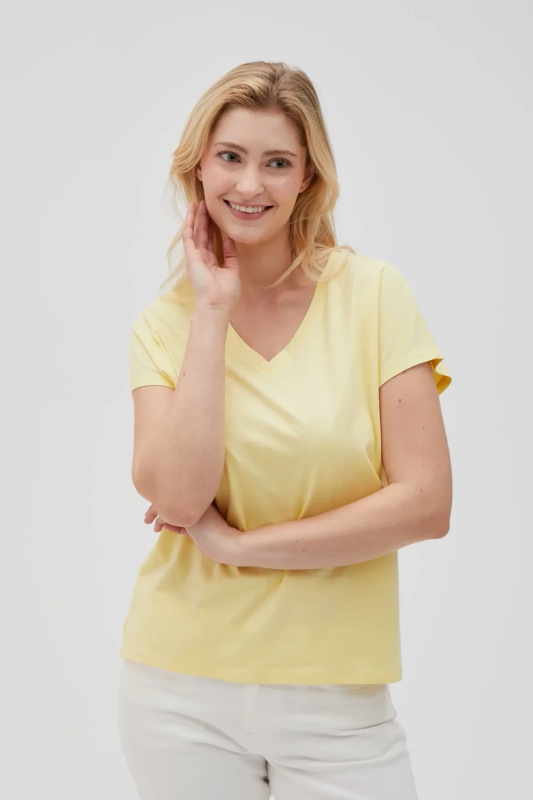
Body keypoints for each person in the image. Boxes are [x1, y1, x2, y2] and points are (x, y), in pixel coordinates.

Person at [117, 61, 452, 800]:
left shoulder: (372, 296)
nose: (249, 184)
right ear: (198, 167)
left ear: (307, 178)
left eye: (276, 163)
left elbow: (427, 504)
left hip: (337, 699)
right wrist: (212, 311)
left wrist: (240, 547)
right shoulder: (164, 326)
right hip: (178, 691)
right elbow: (179, 496)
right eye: (230, 157)